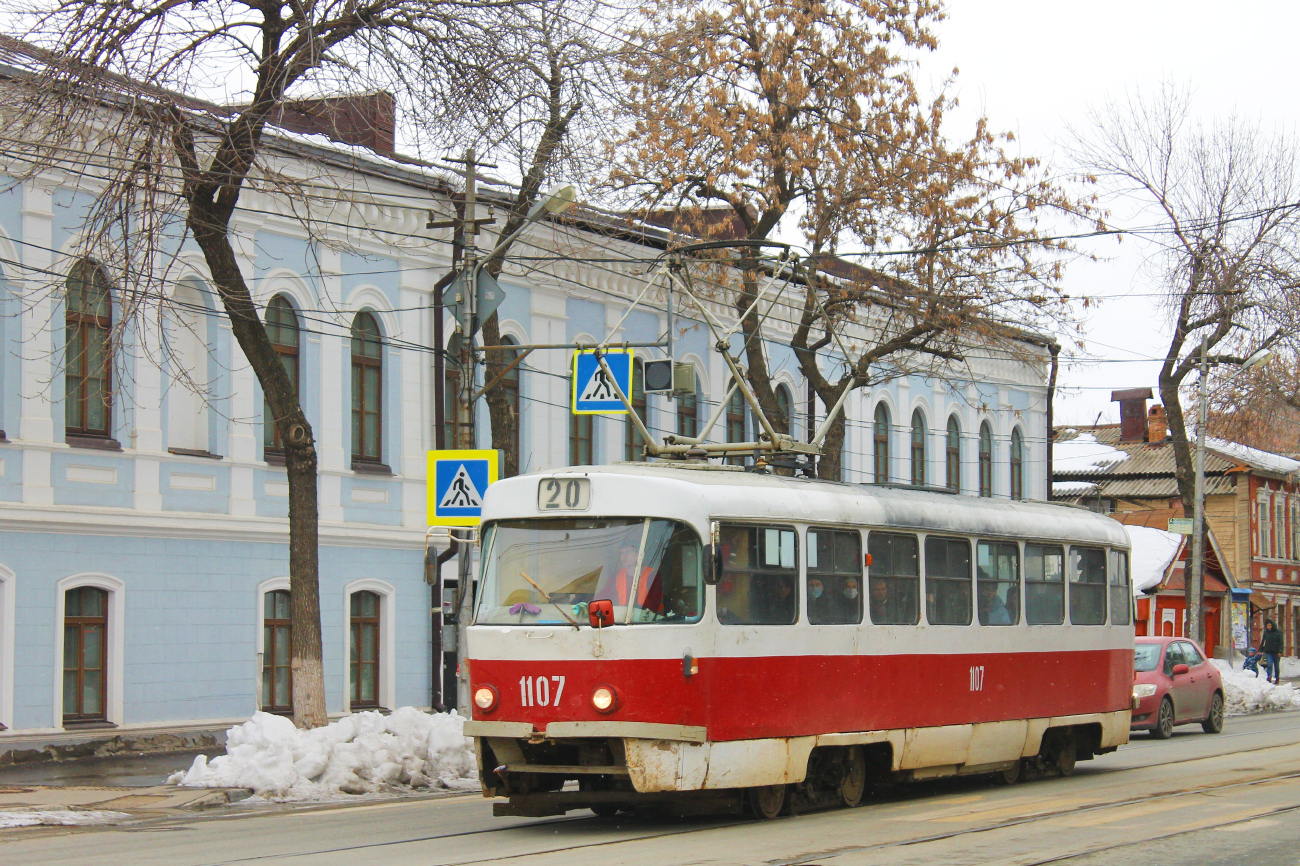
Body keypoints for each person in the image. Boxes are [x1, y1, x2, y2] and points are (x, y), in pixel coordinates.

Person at [1260, 619, 1284, 685]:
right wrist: (1260, 650)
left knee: (1276, 666)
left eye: (1270, 625)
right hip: (1268, 651)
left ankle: (1277, 678)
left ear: (1272, 625)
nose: (1269, 627)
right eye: (1267, 626)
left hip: (1276, 652)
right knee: (1269, 664)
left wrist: (1280, 651)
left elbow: (1281, 642)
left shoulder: (1277, 632)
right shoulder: (1266, 633)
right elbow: (1263, 642)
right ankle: (1269, 677)